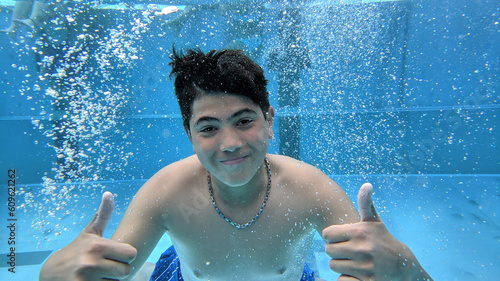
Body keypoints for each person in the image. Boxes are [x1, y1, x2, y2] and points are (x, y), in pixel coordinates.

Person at [39, 48, 433, 281]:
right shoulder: (168, 191)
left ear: (269, 121)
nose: (230, 144)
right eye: (208, 127)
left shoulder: (309, 187)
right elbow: (108, 274)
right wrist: (50, 277)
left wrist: (408, 270)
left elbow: (373, 270)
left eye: (244, 121)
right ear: (189, 135)